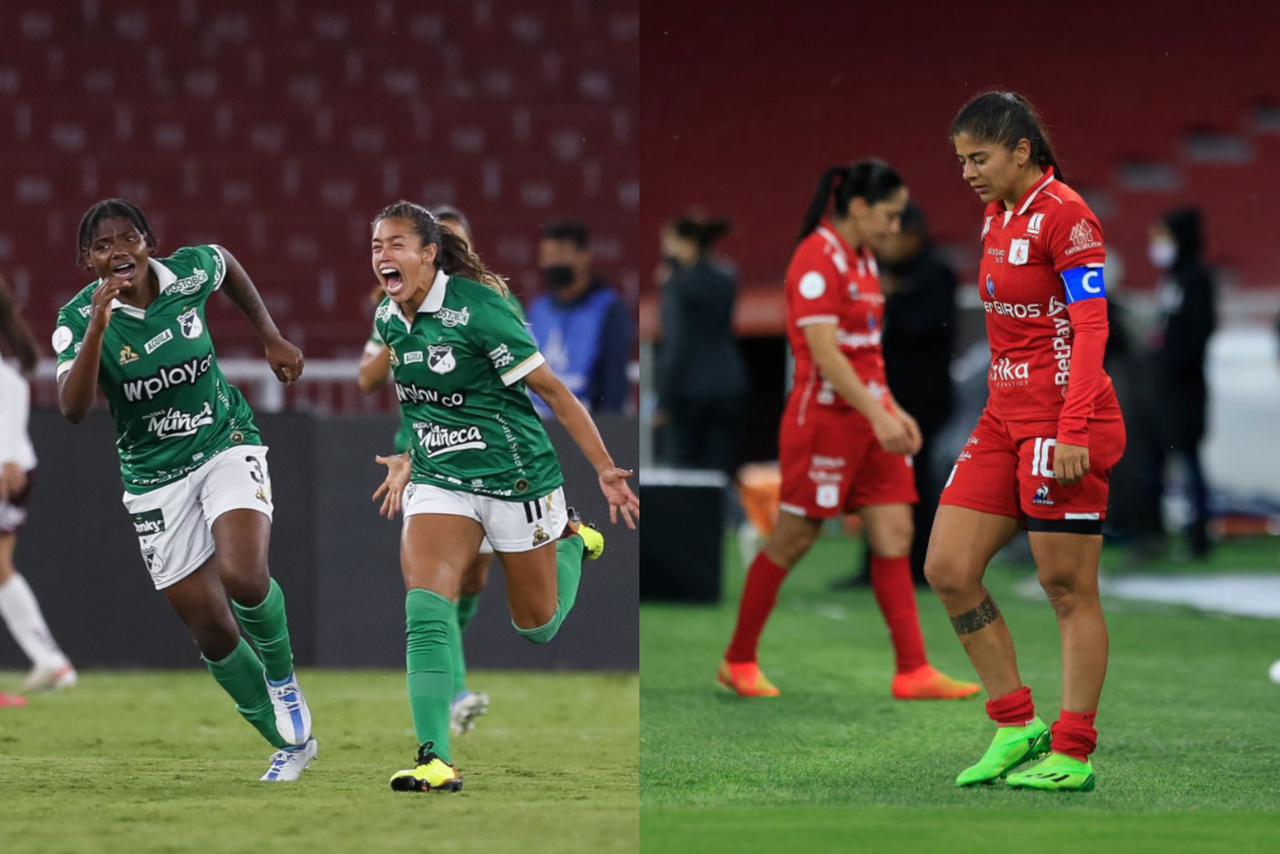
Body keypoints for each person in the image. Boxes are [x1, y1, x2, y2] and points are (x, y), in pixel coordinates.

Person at [367, 201, 639, 793]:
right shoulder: (390, 320)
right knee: (425, 607)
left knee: (536, 626)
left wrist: (605, 470)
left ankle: (572, 541)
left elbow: (554, 393)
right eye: (376, 246)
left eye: (395, 245)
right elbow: (423, 404)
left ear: (429, 254)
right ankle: (434, 759)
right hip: (442, 481)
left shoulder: (482, 310)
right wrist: (410, 457)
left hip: (518, 478)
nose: (383, 257)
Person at [54, 199, 316, 781]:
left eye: (128, 238)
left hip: (225, 440)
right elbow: (73, 408)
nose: (118, 251)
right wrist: (98, 326)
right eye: (103, 246)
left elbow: (227, 263)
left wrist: (270, 336)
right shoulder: (76, 320)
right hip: (153, 478)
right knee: (212, 627)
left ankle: (284, 682)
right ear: (86, 260)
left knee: (244, 575)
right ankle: (290, 744)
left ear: (149, 241)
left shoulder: (189, 272)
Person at [718, 161, 980, 703]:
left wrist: (891, 409)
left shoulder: (863, 259)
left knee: (895, 534)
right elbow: (825, 354)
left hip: (869, 421)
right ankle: (738, 660)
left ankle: (913, 671)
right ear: (859, 208)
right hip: (825, 425)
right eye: (889, 214)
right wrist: (879, 413)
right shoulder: (816, 259)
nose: (895, 226)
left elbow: (865, 354)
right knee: (795, 538)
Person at [927, 91, 1126, 792]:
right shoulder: (996, 215)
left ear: (1021, 151)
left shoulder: (1068, 217)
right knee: (949, 568)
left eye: (978, 158)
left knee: (1066, 587)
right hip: (1002, 419)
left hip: (1063, 423)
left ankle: (1072, 750)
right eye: (961, 161)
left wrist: (1073, 429)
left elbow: (1093, 328)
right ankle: (1016, 724)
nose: (968, 172)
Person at [357, 205, 491, 736]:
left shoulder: (485, 305)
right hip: (424, 454)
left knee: (475, 577)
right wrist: (401, 337)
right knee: (442, 580)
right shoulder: (394, 312)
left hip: (482, 455)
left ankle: (446, 673)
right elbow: (366, 379)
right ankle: (453, 690)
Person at [0, 277, 77, 703]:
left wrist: (7, 456)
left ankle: (49, 658)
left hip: (8, 473)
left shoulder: (5, 374)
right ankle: (50, 659)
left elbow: (12, 389)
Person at [876, 204, 959, 585]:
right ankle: (877, 562)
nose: (885, 246)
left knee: (918, 480)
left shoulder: (936, 273)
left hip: (922, 397)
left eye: (892, 236)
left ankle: (918, 564)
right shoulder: (887, 273)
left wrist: (892, 300)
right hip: (888, 395)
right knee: (880, 479)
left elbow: (927, 327)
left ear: (912, 235)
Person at [655, 211, 748, 479]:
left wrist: (664, 399)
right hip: (728, 384)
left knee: (687, 479)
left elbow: (677, 344)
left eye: (669, 242)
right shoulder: (727, 278)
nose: (665, 250)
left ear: (688, 244)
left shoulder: (677, 286)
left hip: (688, 394)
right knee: (721, 473)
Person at [1148, 208, 1216, 557]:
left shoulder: (1195, 278)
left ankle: (1199, 537)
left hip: (1186, 390)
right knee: (1162, 459)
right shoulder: (1173, 278)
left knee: (1187, 460)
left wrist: (1170, 363)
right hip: (1166, 389)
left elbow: (1200, 332)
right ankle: (1156, 533)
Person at [528, 220, 632, 414]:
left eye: (560, 254)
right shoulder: (538, 309)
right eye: (547, 255)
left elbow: (614, 383)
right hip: (537, 427)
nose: (551, 263)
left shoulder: (608, 309)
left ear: (584, 256)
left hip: (586, 423)